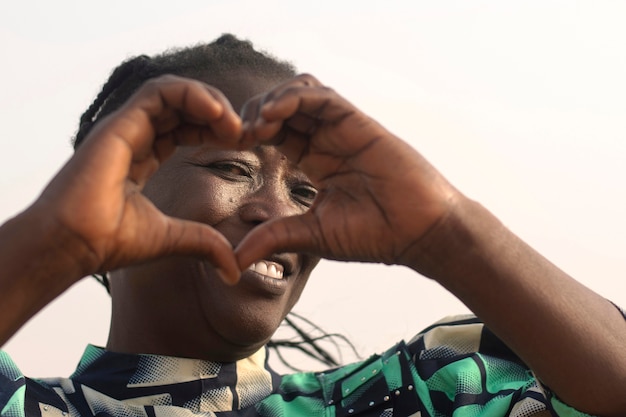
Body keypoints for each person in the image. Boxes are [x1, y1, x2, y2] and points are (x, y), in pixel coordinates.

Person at [0, 34, 624, 417]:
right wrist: (51, 245)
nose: (277, 209)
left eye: (305, 191)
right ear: (112, 189)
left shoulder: (410, 393)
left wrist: (446, 232)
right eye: (231, 167)